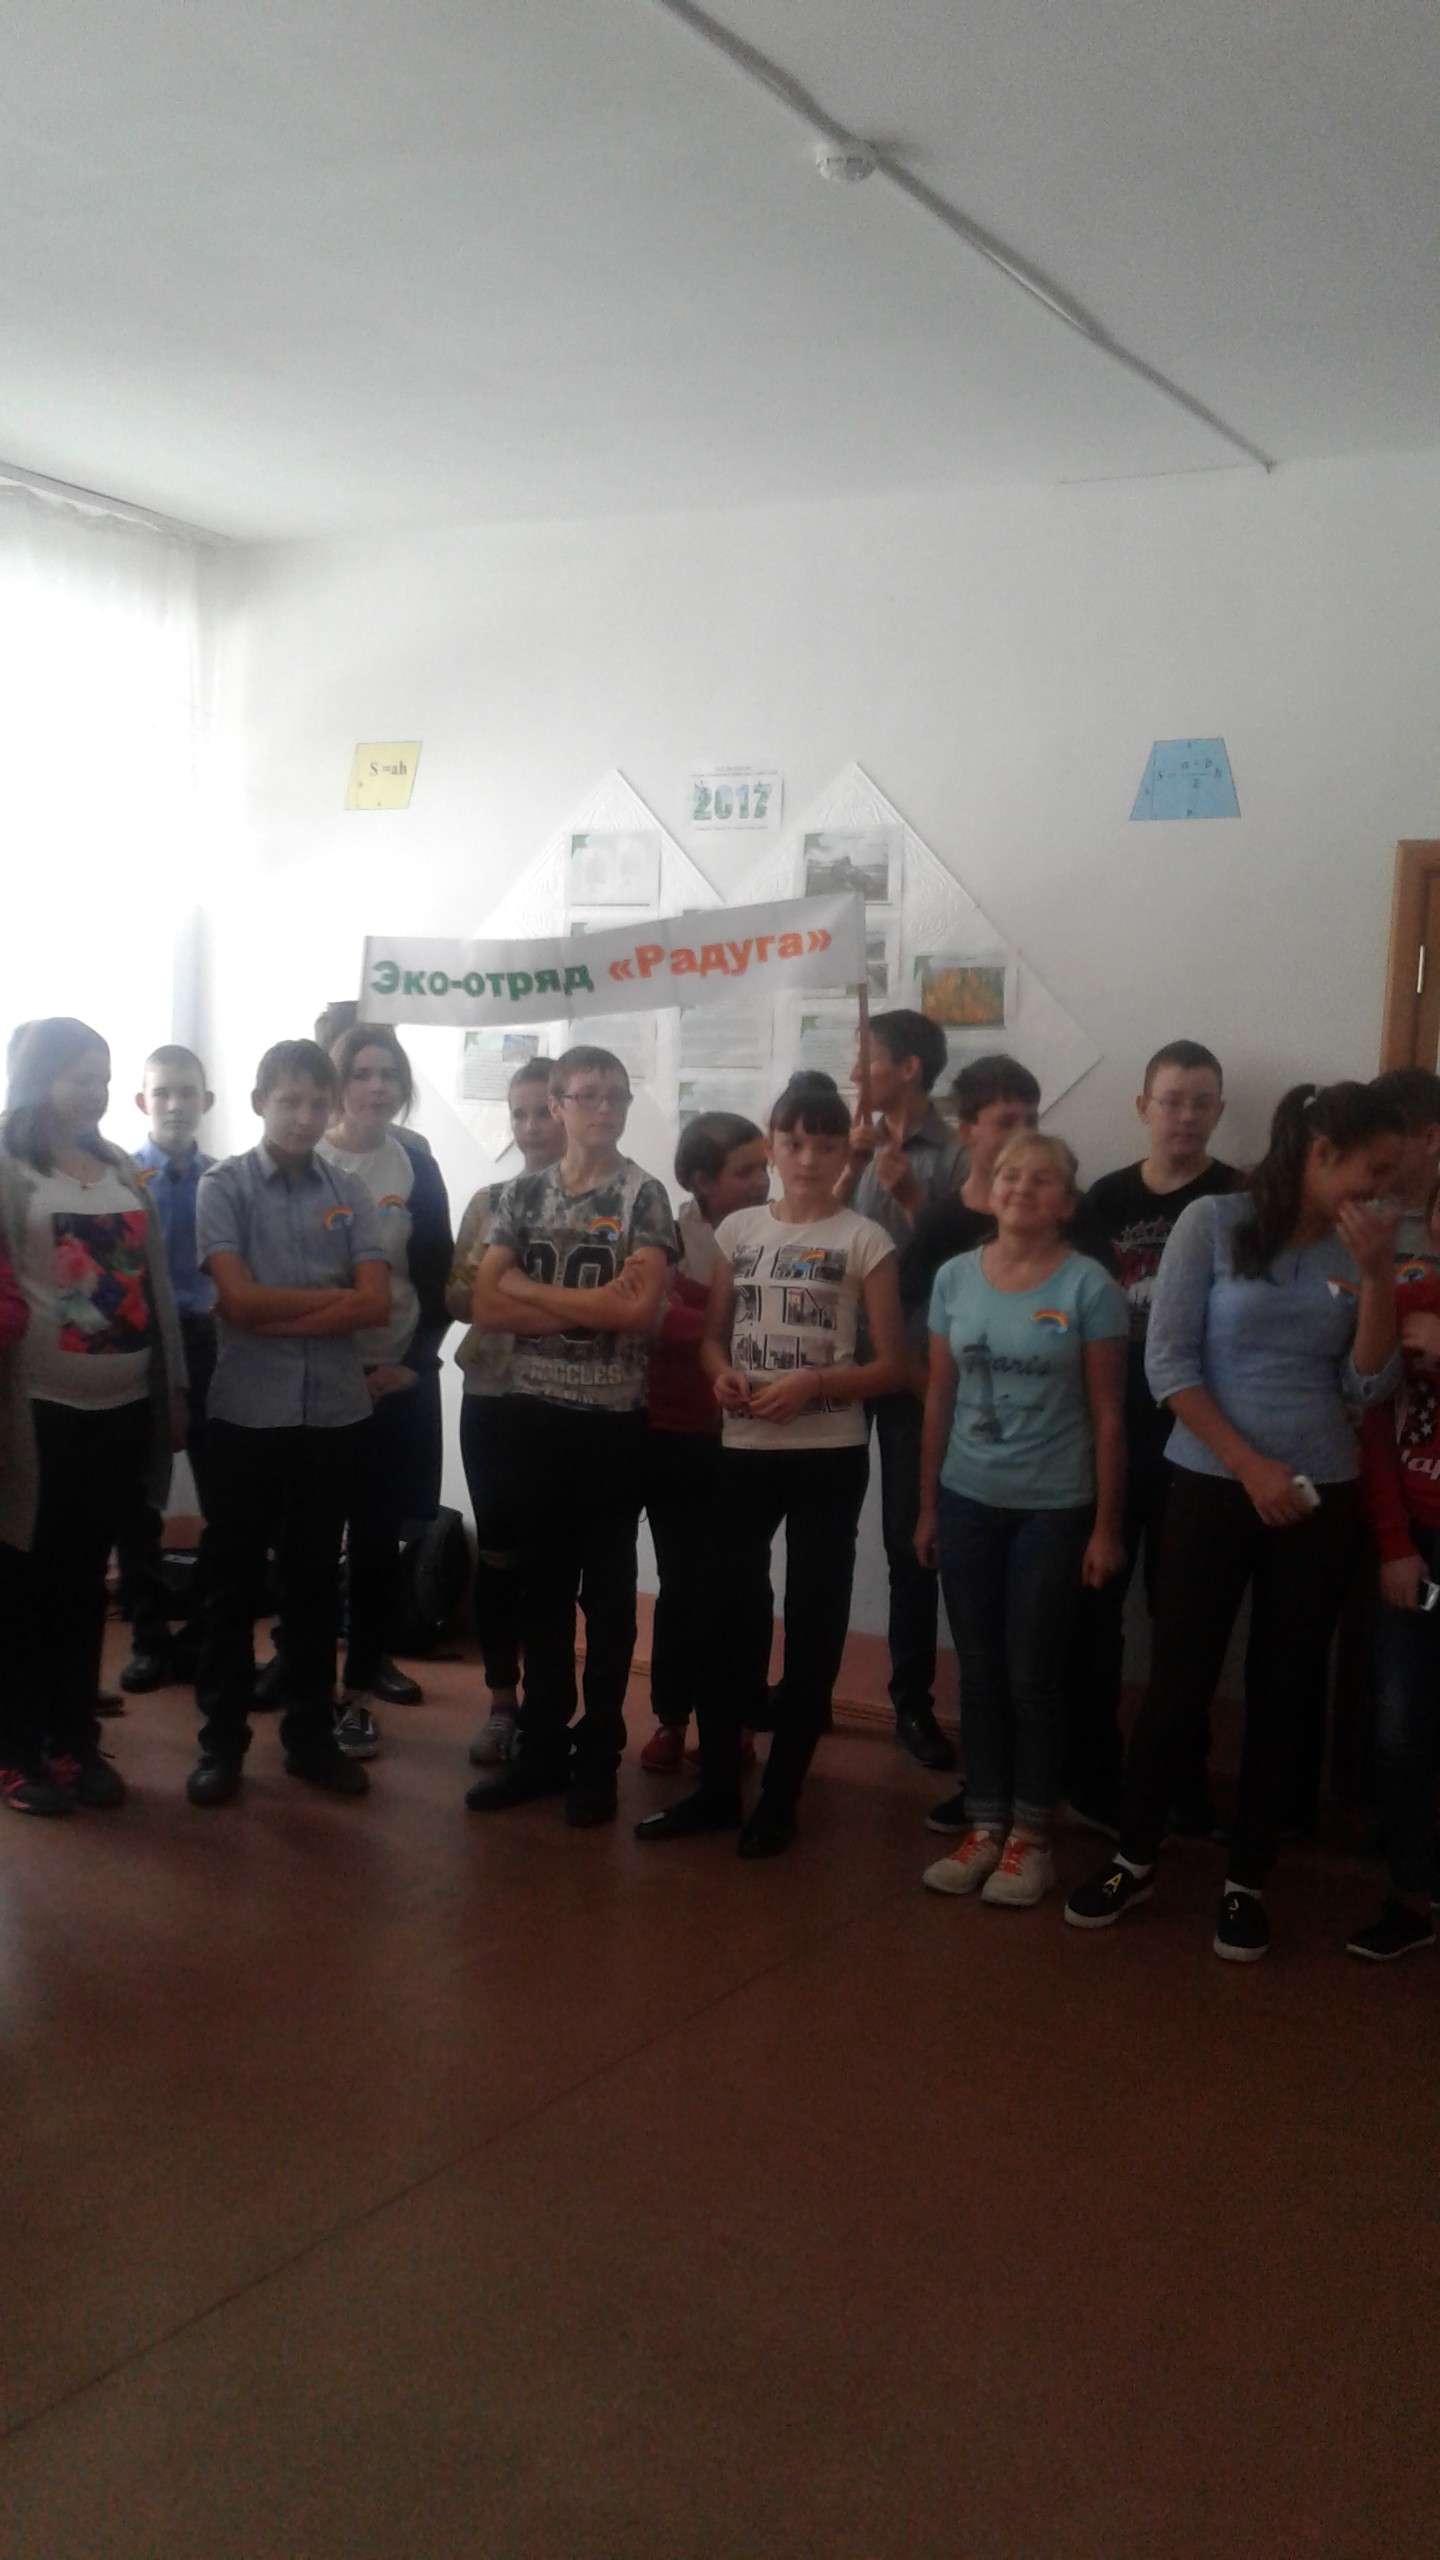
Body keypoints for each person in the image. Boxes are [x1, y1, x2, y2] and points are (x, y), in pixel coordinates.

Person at [1065, 1081, 1405, 1960]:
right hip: (1213, 1481)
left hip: (1319, 1493)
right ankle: (1135, 1857)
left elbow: (1369, 1384)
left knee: (1286, 1689)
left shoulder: (1364, 1246)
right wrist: (1251, 1467)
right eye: (1372, 1173)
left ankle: (1247, 1879)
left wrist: (1377, 1277)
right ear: (1320, 1152)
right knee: (1177, 1679)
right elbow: (1169, 1366)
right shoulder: (1212, 1222)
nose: (1382, 1194)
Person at [636, 1082, 905, 1857]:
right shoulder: (740, 1231)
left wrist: (815, 1382)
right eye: (793, 1144)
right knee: (722, 1617)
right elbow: (712, 1339)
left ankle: (781, 1797)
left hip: (827, 1454)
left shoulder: (865, 1239)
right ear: (774, 1147)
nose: (808, 1160)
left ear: (844, 1151)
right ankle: (718, 1788)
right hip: (745, 1450)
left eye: (826, 1145)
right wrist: (722, 1374)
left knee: (814, 1624)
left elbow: (893, 1367)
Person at [898, 1053, 1113, 1831]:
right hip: (966, 1498)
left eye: (1041, 1179)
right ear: (990, 1187)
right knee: (980, 1669)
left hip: (1054, 1505)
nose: (1022, 1188)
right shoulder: (955, 1276)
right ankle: (986, 1819)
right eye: (1011, 1175)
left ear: (1066, 1203)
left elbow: (1109, 1414)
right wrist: (928, 1509)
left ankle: (1032, 1830)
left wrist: (1106, 1527)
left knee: (1031, 1673)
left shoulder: (1089, 1284)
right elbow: (939, 1398)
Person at [465, 1047, 677, 1828]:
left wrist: (531, 1289)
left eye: (616, 1095)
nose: (604, 1109)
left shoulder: (643, 1196)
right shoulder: (521, 1194)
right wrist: (587, 1303)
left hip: (612, 1423)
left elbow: (638, 1313)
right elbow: (486, 1304)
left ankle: (598, 1759)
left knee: (610, 1597)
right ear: (556, 1106)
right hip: (532, 1416)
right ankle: (542, 1749)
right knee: (542, 1591)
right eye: (587, 1096)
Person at [187, 1039, 390, 1807]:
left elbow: (375, 1304)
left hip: (332, 1416)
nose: (304, 1117)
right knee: (231, 1586)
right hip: (246, 1415)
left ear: (332, 1106)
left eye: (316, 1102)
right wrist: (332, 1303)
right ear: (260, 1104)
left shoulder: (350, 1190)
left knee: (311, 1585)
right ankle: (221, 1744)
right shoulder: (224, 1186)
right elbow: (235, 1301)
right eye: (289, 1102)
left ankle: (308, 1739)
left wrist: (276, 1311)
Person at [0, 1018, 185, 1813]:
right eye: (81, 1077)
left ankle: (73, 1741)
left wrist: (173, 1393)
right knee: (22, 1587)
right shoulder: (8, 1168)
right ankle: (16, 1754)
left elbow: (157, 1290)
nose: (97, 1092)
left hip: (121, 1410)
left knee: (83, 1587)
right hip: (35, 1416)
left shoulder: (118, 1168)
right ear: (39, 1080)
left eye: (104, 1077)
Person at [1064, 1041, 1236, 1834]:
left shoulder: (1241, 1198)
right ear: (1143, 1108)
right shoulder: (1103, 1199)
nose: (1186, 1116)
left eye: (1201, 1102)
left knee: (1185, 1620)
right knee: (1094, 1611)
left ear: (1220, 1111)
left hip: (1200, 1442)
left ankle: (1182, 1782)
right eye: (1172, 1100)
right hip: (1109, 1432)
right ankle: (1094, 1773)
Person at [316, 1023, 453, 1754]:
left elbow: (436, 1278)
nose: (375, 1087)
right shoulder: (306, 1159)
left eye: (387, 1074)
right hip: (313, 1379)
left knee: (374, 1544)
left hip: (394, 1377)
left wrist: (414, 1364)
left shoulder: (415, 1167)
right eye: (361, 1073)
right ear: (336, 1083)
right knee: (308, 1541)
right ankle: (306, 1685)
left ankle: (358, 1691)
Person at [835, 1008, 963, 1772]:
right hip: (841, 1364)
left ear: (908, 1068)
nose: (856, 1071)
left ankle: (910, 1701)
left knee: (911, 1540)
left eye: (868, 1056)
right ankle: (809, 1683)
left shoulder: (957, 1154)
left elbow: (968, 1268)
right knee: (825, 1530)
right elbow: (817, 1238)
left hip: (921, 1371)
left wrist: (914, 1197)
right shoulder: (848, 1142)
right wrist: (846, 1169)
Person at [638, 1111, 770, 1774]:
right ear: (700, 1180)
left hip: (749, 1438)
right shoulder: (666, 1235)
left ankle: (739, 1719)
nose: (763, 1181)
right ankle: (671, 1718)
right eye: (745, 1171)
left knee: (745, 1585)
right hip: (672, 1434)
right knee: (681, 1583)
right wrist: (727, 1332)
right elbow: (654, 1317)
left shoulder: (779, 1232)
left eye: (763, 1167)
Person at [448, 1057, 565, 1769]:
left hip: (569, 1398)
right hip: (492, 1393)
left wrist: (510, 1294)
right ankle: (500, 1703)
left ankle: (551, 1713)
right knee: (497, 1552)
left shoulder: (612, 1202)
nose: (530, 1127)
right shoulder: (489, 1201)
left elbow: (620, 1306)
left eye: (543, 1111)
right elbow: (461, 1298)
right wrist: (548, 1301)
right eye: (518, 1113)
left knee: (555, 1560)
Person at [1347, 1184, 1440, 1958]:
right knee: (1401, 1725)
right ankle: (1413, 1892)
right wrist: (1393, 1543)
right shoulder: (1409, 1296)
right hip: (1415, 1542)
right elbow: (1373, 1424)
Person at [115, 1044, 218, 1691]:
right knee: (136, 1503)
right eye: (163, 1092)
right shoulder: (122, 1182)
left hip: (212, 1345)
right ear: (142, 1101)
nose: (176, 1105)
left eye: (187, 1092)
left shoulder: (225, 1182)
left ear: (207, 1102)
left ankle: (204, 1634)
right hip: (144, 1348)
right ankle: (149, 1638)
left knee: (224, 1500)